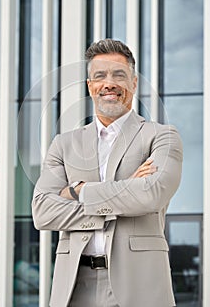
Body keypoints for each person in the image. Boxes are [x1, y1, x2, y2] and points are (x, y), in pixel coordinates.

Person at [32, 39, 183, 307]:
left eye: (118, 75)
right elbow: (43, 212)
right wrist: (127, 191)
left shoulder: (162, 136)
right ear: (90, 86)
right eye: (100, 76)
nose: (109, 83)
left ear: (133, 83)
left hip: (141, 286)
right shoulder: (63, 144)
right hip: (75, 286)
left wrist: (77, 191)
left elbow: (152, 194)